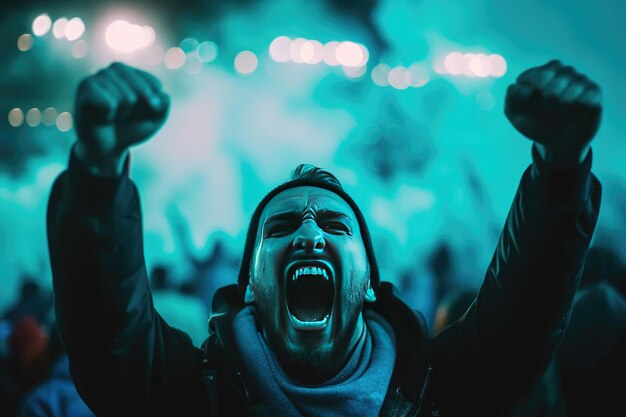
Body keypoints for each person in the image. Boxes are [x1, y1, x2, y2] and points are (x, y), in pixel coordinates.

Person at [47, 60, 602, 416]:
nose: (310, 231)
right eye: (282, 225)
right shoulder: (190, 395)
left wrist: (560, 171)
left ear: (366, 284)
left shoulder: (441, 392)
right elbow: (108, 337)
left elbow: (521, 321)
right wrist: (97, 179)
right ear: (250, 286)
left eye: (335, 225)